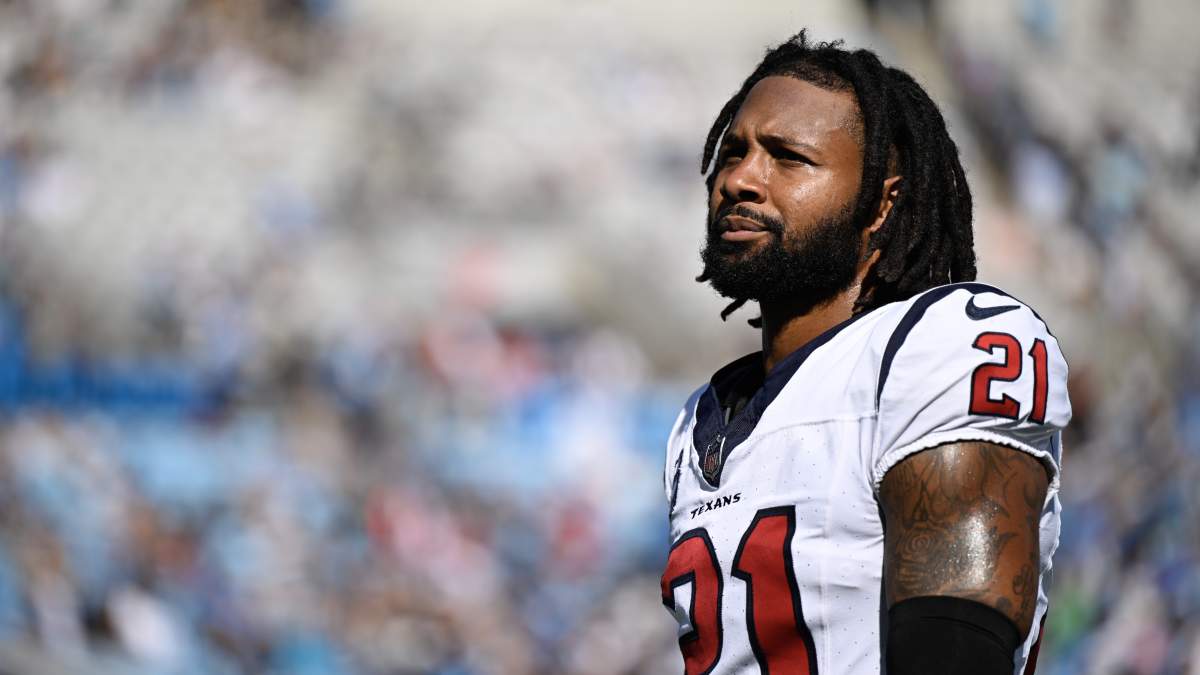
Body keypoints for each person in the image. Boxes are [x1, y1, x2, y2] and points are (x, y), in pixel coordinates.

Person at [660, 31, 1070, 675]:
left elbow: (955, 647)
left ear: (882, 202)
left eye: (788, 158)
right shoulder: (699, 423)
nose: (739, 179)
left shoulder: (942, 344)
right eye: (734, 152)